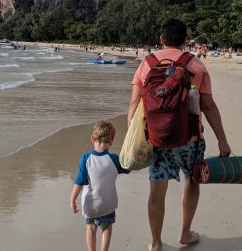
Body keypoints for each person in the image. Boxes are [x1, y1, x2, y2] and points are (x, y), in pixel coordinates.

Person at [128, 18, 231, 250]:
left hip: (156, 138)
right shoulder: (196, 66)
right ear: (185, 41)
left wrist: (134, 140)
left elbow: (134, 105)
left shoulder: (147, 64)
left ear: (161, 39)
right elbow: (209, 106)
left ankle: (155, 242)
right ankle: (185, 233)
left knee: (157, 186)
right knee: (192, 181)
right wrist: (222, 140)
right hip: (191, 139)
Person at [70, 120, 130, 251]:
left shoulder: (86, 158)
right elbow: (128, 167)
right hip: (107, 204)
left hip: (90, 205)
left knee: (90, 228)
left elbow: (79, 182)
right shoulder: (114, 159)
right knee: (106, 227)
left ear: (92, 138)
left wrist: (72, 200)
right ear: (112, 141)